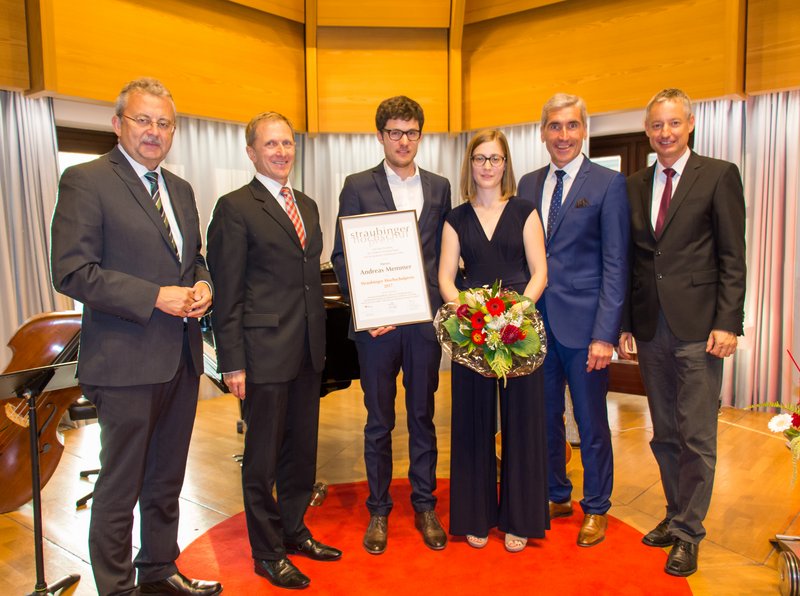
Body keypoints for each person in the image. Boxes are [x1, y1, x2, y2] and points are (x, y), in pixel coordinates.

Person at [50, 78, 220, 596]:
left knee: (167, 481)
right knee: (120, 487)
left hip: (182, 359)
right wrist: (154, 296)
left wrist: (204, 284)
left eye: (163, 123)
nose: (154, 132)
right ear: (117, 123)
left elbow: (192, 259)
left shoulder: (183, 190)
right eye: (143, 120)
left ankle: (160, 572)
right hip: (124, 362)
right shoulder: (86, 180)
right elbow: (73, 271)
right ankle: (118, 588)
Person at [206, 112, 341, 590]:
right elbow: (228, 290)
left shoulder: (305, 204)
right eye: (271, 144)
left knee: (301, 454)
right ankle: (266, 552)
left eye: (287, 144)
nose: (282, 152)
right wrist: (233, 361)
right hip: (261, 354)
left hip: (308, 351)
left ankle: (293, 529)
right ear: (251, 152)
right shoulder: (235, 207)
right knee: (261, 460)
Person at [619, 88, 746, 577]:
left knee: (697, 434)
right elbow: (634, 260)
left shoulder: (717, 175)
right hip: (651, 327)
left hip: (700, 328)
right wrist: (628, 323)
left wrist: (727, 322)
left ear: (689, 124)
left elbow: (733, 256)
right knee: (664, 433)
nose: (665, 133)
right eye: (656, 125)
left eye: (673, 123)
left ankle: (690, 532)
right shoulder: (634, 185)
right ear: (647, 131)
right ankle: (675, 515)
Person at [331, 96, 451, 554]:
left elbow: (445, 254)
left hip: (423, 326)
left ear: (421, 135)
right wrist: (368, 311)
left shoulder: (439, 187)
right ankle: (379, 510)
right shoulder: (357, 185)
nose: (404, 140)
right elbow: (343, 255)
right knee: (379, 422)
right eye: (395, 132)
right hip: (377, 329)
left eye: (412, 132)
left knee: (422, 417)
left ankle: (424, 505)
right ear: (380, 136)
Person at [517, 93, 630, 547]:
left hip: (586, 330)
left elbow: (616, 263)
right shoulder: (525, 185)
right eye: (554, 127)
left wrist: (606, 333)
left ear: (583, 131)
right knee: (543, 419)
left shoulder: (608, 183)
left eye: (571, 126)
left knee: (590, 421)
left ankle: (597, 506)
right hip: (534, 329)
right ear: (542, 132)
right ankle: (556, 493)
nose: (562, 135)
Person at [438, 129, 549, 551]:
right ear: (470, 165)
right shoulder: (456, 218)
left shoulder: (524, 210)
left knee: (522, 424)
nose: (488, 166)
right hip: (472, 333)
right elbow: (446, 278)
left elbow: (540, 271)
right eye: (480, 158)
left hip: (519, 331)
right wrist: (473, 315)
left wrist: (514, 313)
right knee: (471, 425)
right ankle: (476, 516)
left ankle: (520, 519)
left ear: (506, 164)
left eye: (495, 158)